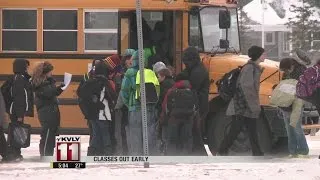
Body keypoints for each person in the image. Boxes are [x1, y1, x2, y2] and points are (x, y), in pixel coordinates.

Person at [218, 46, 265, 156]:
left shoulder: (254, 67)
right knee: (236, 129)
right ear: (258, 55)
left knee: (252, 129)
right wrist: (254, 106)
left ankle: (257, 152)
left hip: (245, 105)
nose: (265, 55)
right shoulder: (249, 68)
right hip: (241, 105)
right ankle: (222, 150)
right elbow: (247, 88)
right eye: (263, 53)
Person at [120, 50, 159, 155]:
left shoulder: (130, 73)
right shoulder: (150, 72)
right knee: (149, 134)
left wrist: (129, 105)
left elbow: (124, 92)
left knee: (135, 135)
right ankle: (150, 157)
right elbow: (157, 92)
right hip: (149, 109)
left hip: (135, 110)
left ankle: (137, 157)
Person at [78, 61, 117, 155]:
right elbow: (112, 95)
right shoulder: (104, 82)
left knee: (95, 135)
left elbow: (80, 94)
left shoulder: (89, 82)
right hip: (102, 113)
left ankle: (92, 153)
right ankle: (107, 154)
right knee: (105, 134)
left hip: (91, 114)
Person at [32, 61, 64, 157]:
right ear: (45, 72)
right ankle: (45, 155)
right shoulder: (40, 83)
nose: (51, 73)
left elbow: (52, 92)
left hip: (50, 110)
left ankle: (48, 154)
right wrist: (56, 86)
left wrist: (60, 88)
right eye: (50, 72)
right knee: (47, 134)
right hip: (46, 111)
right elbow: (48, 93)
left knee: (51, 134)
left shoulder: (47, 82)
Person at [181, 47, 209, 155]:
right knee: (195, 131)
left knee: (196, 132)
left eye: (186, 61)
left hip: (198, 105)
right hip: (198, 104)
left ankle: (199, 154)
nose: (185, 64)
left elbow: (192, 87)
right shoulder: (196, 68)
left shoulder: (198, 71)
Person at [160, 73, 196, 155]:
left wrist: (166, 117)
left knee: (172, 140)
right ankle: (186, 158)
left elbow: (165, 106)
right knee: (186, 139)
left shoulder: (172, 90)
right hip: (188, 118)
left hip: (174, 118)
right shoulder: (191, 91)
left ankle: (172, 158)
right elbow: (195, 106)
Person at [8, 58, 34, 161]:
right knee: (17, 131)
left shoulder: (19, 77)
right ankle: (15, 153)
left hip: (16, 110)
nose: (28, 68)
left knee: (16, 130)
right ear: (22, 67)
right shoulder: (19, 79)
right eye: (26, 66)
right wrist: (19, 114)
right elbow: (19, 97)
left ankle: (15, 152)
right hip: (16, 110)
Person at [77, 59, 101, 155]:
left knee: (94, 131)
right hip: (93, 109)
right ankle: (93, 152)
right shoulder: (90, 77)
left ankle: (94, 151)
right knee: (95, 131)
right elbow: (81, 93)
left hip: (90, 110)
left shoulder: (88, 76)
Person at [114, 49, 135, 155]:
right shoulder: (120, 75)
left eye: (132, 58)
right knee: (124, 129)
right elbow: (119, 91)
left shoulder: (139, 72)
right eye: (128, 59)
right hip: (125, 107)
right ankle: (126, 151)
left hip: (135, 105)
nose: (130, 61)